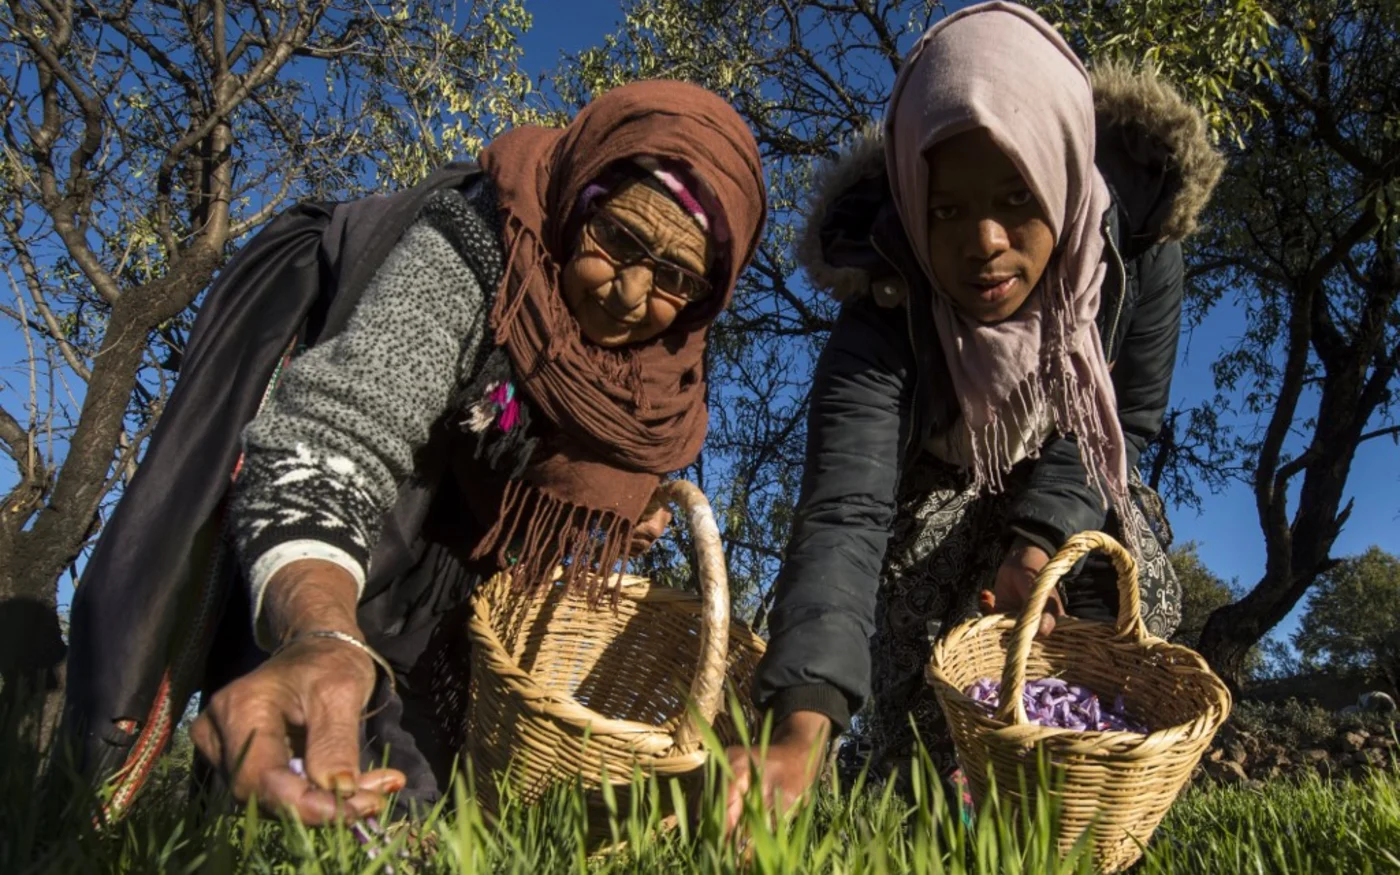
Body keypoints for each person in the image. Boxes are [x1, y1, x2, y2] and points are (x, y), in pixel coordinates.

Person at [61, 80, 766, 825]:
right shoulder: (484, 245)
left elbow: (534, 484)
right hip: (349, 545)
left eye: (677, 276)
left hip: (444, 602)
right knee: (310, 786)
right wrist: (322, 632)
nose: (631, 293)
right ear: (578, 200)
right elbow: (344, 425)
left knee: (420, 816)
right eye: (618, 238)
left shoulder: (660, 379)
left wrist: (611, 517)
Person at [725, 1, 1223, 827]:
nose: (983, 241)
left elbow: (1121, 426)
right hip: (934, 508)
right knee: (912, 777)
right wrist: (798, 736)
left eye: (1016, 196)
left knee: (1109, 561)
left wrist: (1038, 541)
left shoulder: (1134, 252)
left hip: (1073, 477)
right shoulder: (880, 308)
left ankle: (1079, 785)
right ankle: (925, 771)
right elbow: (847, 514)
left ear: (1061, 174)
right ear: (913, 202)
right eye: (946, 210)